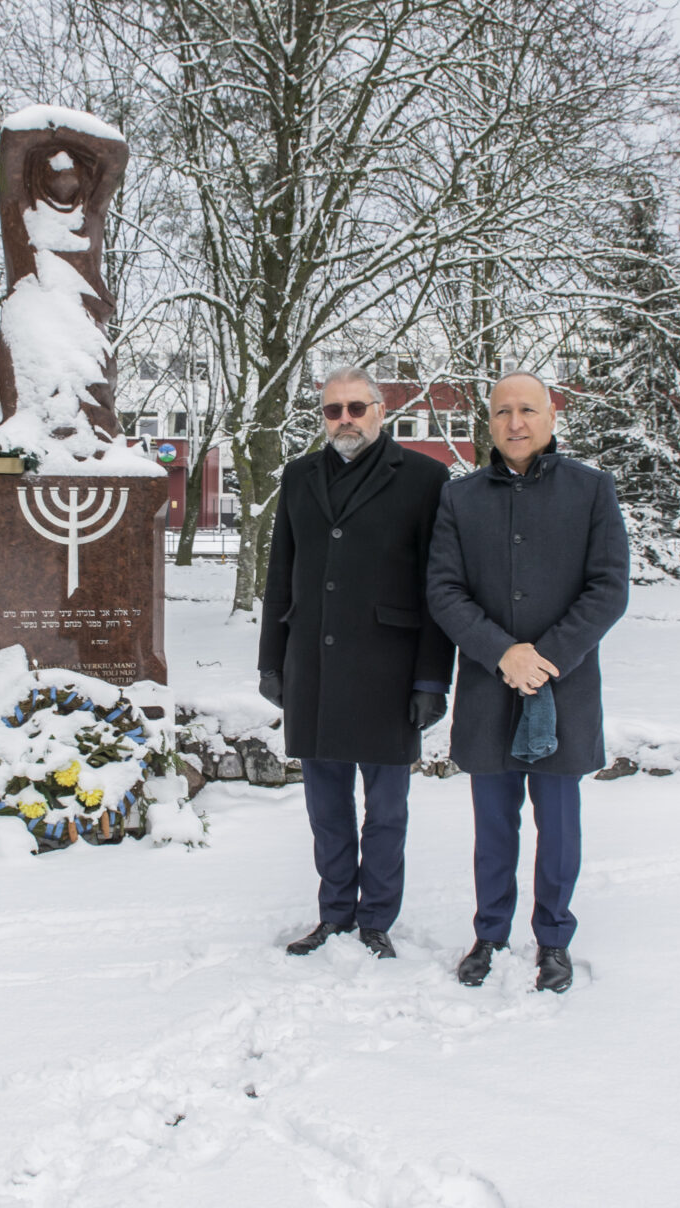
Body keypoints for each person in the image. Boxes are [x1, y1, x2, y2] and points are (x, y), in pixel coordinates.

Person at [426, 372, 629, 991]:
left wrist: (544, 658)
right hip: (489, 689)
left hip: (563, 690)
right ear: (489, 422)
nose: (515, 423)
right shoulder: (461, 498)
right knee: (493, 826)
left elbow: (609, 588)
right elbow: (444, 589)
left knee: (560, 827)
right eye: (502, 412)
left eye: (528, 410)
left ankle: (554, 940)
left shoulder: (592, 490)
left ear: (550, 415)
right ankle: (489, 932)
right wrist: (500, 652)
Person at [258, 366, 453, 959]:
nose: (344, 420)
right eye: (332, 410)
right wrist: (272, 662)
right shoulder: (299, 476)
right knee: (326, 808)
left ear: (379, 410)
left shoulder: (424, 478)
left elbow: (436, 587)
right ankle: (335, 914)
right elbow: (281, 574)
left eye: (355, 408)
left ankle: (375, 920)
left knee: (387, 810)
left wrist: (430, 678)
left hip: (390, 674)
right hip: (312, 666)